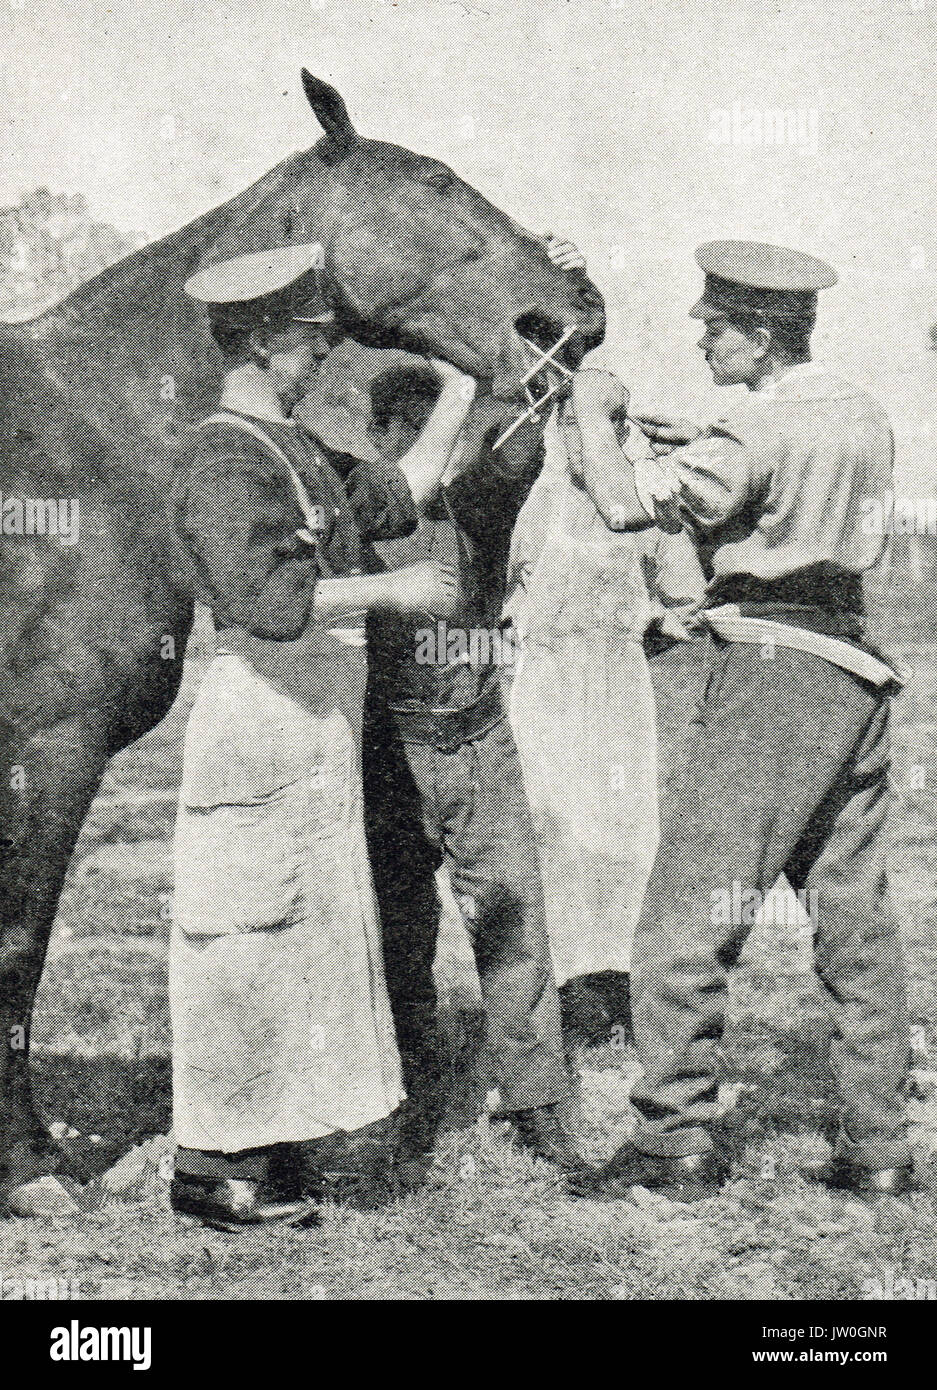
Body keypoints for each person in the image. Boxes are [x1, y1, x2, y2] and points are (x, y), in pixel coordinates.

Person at [568, 241, 913, 1203]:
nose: (699, 333)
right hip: (852, 669)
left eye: (714, 325)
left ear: (758, 337)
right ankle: (878, 1145)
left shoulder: (749, 429)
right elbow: (779, 484)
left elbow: (620, 502)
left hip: (767, 677)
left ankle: (673, 1139)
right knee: (854, 926)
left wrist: (594, 417)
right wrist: (706, 442)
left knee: (684, 919)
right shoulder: (859, 410)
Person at [168, 247, 470, 1229]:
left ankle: (277, 1145)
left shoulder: (295, 447)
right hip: (259, 722)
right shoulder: (219, 455)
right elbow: (265, 598)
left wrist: (472, 383)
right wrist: (392, 587)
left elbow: (402, 488)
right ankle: (212, 1166)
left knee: (305, 941)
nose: (317, 364)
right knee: (245, 943)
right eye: (306, 346)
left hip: (314, 734)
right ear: (259, 341)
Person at [362, 354, 590, 1181]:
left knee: (510, 920)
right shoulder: (358, 510)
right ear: (382, 437)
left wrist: (557, 325)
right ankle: (410, 1084)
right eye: (417, 435)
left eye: (450, 434)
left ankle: (538, 1104)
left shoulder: (481, 502)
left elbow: (532, 425)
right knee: (395, 931)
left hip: (476, 739)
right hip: (381, 751)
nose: (441, 451)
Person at [503, 398, 704, 1043]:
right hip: (546, 686)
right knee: (559, 837)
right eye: (594, 421)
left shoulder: (639, 504)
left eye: (619, 420)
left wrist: (656, 617)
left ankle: (617, 994)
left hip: (619, 688)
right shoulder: (533, 498)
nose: (605, 436)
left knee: (625, 838)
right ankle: (571, 997)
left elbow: (682, 595)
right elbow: (506, 600)